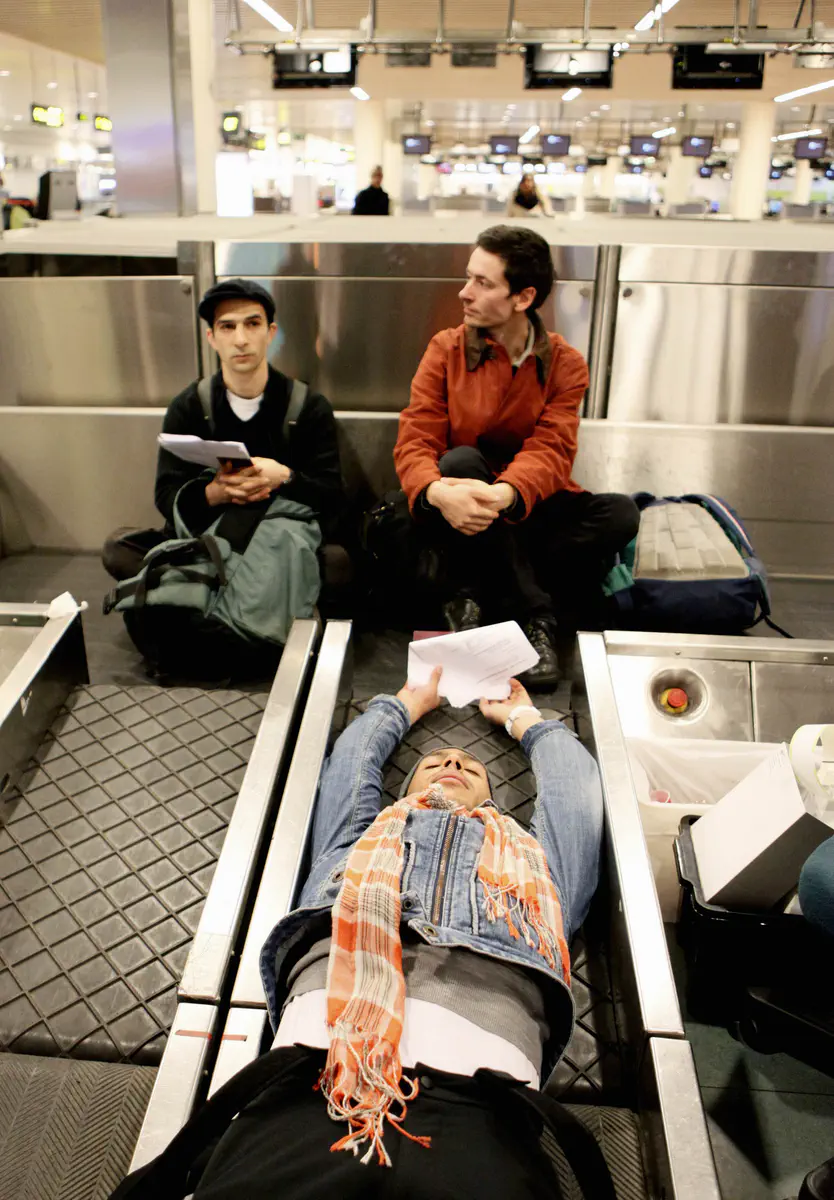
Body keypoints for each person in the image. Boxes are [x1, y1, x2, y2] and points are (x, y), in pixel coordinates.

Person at [112, 667, 609, 1199]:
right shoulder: (359, 840)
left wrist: (523, 718)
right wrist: (404, 704)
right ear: (406, 787)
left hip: (485, 1113)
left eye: (469, 766)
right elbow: (350, 770)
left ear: (491, 796)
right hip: (318, 1084)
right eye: (435, 761)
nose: (452, 762)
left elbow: (573, 799)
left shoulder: (536, 866)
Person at [392, 225, 640, 689]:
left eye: (482, 283)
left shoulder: (565, 364)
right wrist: (436, 492)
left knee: (620, 514)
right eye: (468, 277)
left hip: (521, 505)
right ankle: (536, 616)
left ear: (524, 297)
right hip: (458, 505)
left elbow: (552, 448)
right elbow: (416, 437)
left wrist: (506, 494)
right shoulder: (446, 349)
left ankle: (475, 598)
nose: (465, 292)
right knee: (460, 462)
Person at [102, 278, 343, 582]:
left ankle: (206, 586)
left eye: (252, 324)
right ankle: (235, 583)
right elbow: (166, 495)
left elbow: (332, 498)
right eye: (227, 327)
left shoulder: (308, 407)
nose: (241, 339)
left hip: (278, 540)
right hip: (210, 540)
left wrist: (283, 477)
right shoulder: (188, 406)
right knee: (118, 548)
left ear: (270, 333)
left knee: (338, 564)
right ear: (212, 338)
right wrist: (214, 493)